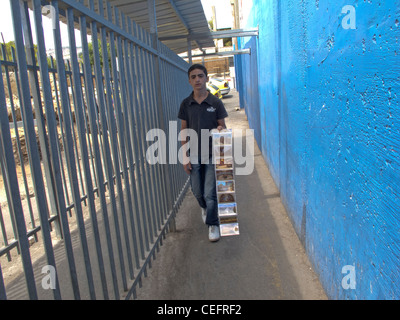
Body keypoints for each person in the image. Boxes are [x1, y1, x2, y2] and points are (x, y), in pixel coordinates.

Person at [178, 64, 228, 242]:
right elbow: (184, 131)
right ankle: (205, 208)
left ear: (206, 78)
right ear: (189, 81)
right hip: (194, 155)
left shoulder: (215, 102)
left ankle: (213, 224)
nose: (197, 79)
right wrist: (184, 156)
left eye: (200, 75)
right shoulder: (186, 104)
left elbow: (223, 126)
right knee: (197, 192)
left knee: (209, 192)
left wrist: (220, 128)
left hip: (212, 154)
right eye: (193, 77)